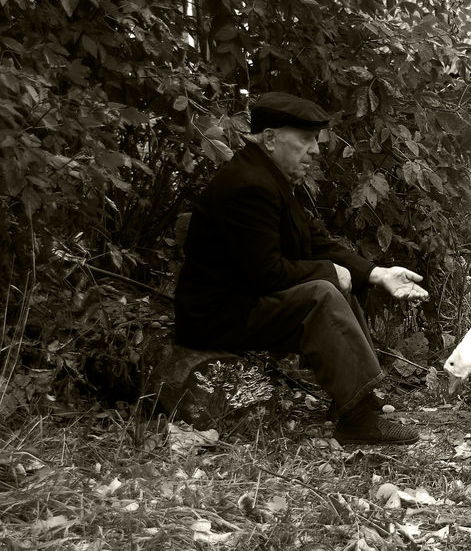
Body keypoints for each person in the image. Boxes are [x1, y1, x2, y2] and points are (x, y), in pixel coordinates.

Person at [174, 92, 428, 445]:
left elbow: (314, 240)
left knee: (333, 283)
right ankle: (356, 418)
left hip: (242, 302)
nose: (316, 150)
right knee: (322, 293)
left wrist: (375, 273)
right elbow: (266, 273)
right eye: (306, 139)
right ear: (271, 138)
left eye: (316, 140)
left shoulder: (267, 176)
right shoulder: (248, 185)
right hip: (216, 315)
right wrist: (328, 272)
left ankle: (359, 399)